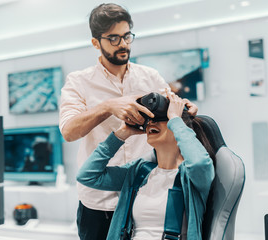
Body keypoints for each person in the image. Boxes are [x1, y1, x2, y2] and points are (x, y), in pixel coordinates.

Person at [59, 3, 198, 239]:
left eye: (126, 36)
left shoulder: (150, 76)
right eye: (113, 38)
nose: (123, 44)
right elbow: (69, 132)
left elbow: (171, 109)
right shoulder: (78, 82)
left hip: (142, 197)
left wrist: (185, 107)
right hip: (98, 204)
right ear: (96, 43)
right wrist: (107, 106)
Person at [76, 91, 215, 239]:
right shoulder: (139, 172)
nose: (151, 123)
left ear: (179, 127)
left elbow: (199, 163)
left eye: (161, 118)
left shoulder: (191, 177)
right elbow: (88, 175)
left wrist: (175, 118)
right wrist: (121, 134)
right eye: (148, 120)